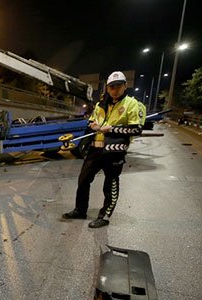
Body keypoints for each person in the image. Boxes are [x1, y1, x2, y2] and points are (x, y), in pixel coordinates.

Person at [62, 71, 146, 228]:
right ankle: (80, 210)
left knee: (111, 184)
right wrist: (93, 125)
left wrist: (111, 129)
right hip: (95, 149)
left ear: (124, 86)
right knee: (83, 180)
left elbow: (136, 129)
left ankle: (105, 216)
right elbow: (91, 121)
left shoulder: (131, 104)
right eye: (111, 87)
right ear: (107, 88)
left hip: (114, 151)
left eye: (118, 86)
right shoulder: (101, 104)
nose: (114, 90)